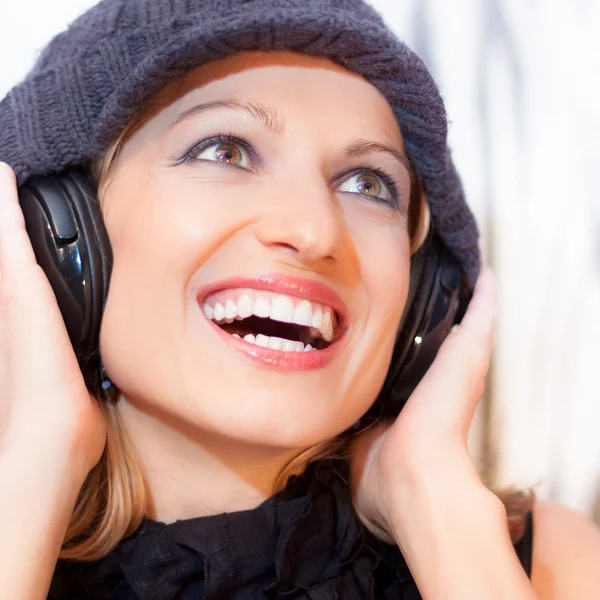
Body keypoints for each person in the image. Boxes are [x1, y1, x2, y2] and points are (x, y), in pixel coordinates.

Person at [1, 0, 599, 598]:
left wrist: (433, 498)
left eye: (368, 184)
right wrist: (37, 461)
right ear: (53, 234)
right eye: (225, 151)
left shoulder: (552, 568)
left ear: (424, 297)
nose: (315, 231)